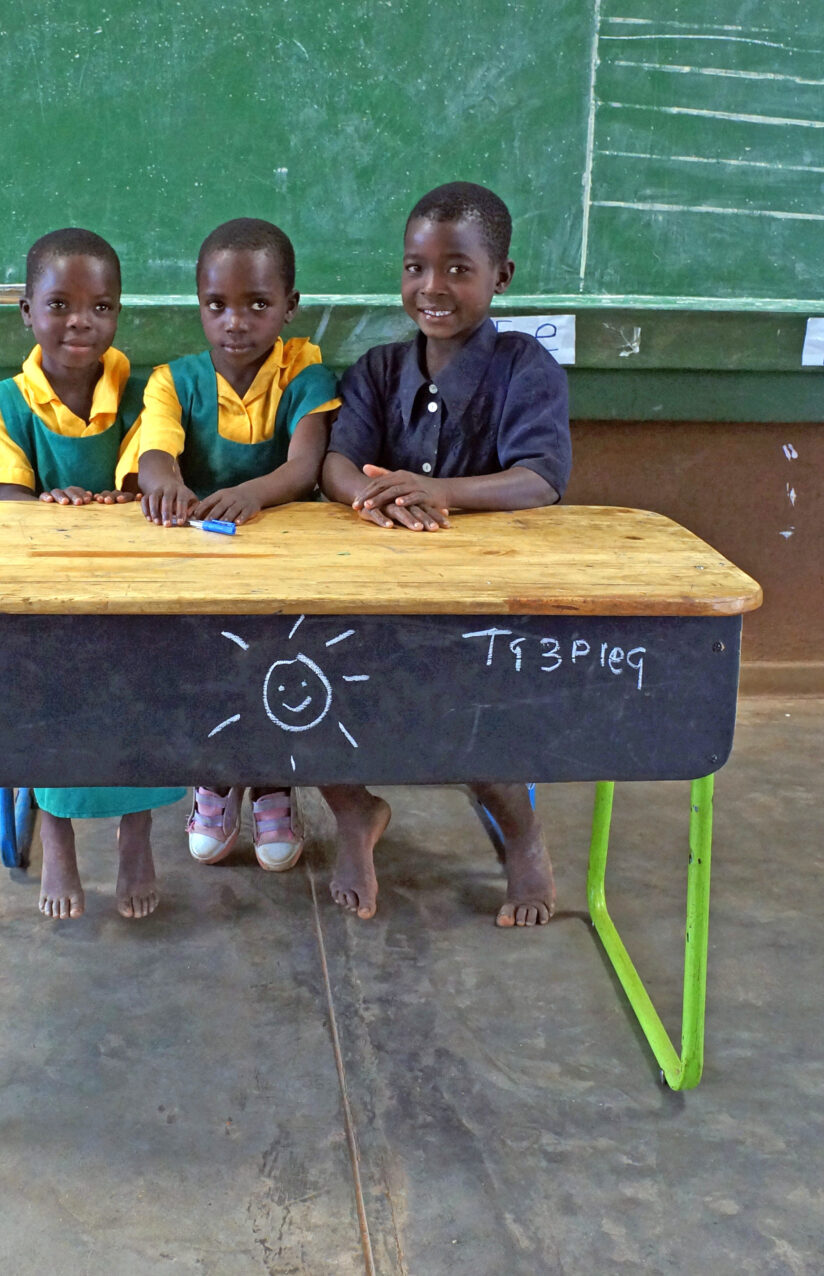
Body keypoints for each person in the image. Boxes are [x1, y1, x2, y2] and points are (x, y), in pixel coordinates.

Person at [317, 182, 571, 927]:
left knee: (473, 717)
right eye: (415, 267)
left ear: (502, 277)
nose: (432, 287)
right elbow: (338, 464)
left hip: (483, 600)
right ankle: (353, 814)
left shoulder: (525, 368)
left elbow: (540, 481)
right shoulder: (378, 371)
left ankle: (518, 836)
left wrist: (438, 492)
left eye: (458, 269)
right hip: (373, 593)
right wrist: (375, 496)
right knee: (301, 694)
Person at [0, 226, 184, 920]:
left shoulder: (149, 390)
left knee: (147, 676)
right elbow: (7, 506)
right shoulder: (4, 403)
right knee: (45, 679)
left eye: (100, 307)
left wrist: (123, 500)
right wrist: (46, 505)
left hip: (132, 589)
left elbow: (147, 479)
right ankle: (55, 831)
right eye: (59, 305)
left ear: (118, 313)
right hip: (44, 596)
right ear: (26, 313)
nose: (80, 323)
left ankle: (136, 829)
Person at [119, 218, 339, 873]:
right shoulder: (173, 379)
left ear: (290, 307)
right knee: (205, 669)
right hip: (200, 564)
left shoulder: (304, 370)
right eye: (217, 306)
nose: (235, 322)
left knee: (279, 670)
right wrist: (164, 486)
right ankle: (214, 781)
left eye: (257, 305)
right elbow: (156, 452)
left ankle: (273, 783)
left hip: (284, 567)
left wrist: (252, 495)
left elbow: (305, 467)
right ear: (199, 305)